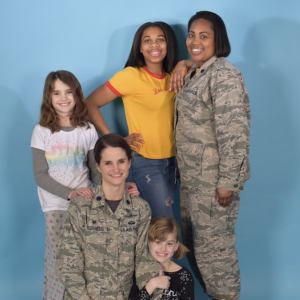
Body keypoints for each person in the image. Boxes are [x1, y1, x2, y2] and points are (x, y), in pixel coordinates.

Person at [31, 71, 138, 300]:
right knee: (60, 258)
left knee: (84, 259)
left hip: (86, 204)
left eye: (69, 92)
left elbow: (94, 170)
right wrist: (69, 193)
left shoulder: (87, 129)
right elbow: (40, 175)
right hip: (56, 206)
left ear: (77, 95)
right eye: (57, 92)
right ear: (48, 97)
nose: (63, 97)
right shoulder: (41, 131)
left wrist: (119, 184)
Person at [173, 11, 251, 300]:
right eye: (192, 34)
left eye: (204, 36)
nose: (195, 40)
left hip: (215, 184)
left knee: (216, 255)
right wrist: (185, 62)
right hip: (193, 181)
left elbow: (235, 133)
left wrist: (228, 181)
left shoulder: (224, 75)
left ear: (218, 40)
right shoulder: (197, 71)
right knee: (196, 249)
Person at [86, 21, 179, 217]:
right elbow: (89, 104)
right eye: (147, 40)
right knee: (164, 224)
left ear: (168, 44)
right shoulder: (131, 76)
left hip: (173, 162)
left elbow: (200, 64)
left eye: (160, 40)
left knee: (158, 228)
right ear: (140, 47)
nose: (154, 45)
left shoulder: (174, 76)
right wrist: (114, 140)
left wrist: (185, 63)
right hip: (144, 162)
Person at [56, 133, 162, 300]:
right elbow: (68, 262)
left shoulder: (140, 209)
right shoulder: (81, 206)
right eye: (108, 163)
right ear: (98, 166)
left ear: (129, 162)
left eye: (121, 161)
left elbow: (145, 262)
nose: (116, 169)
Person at [129, 216, 194, 300]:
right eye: (158, 242)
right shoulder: (138, 271)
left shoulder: (184, 276)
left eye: (169, 243)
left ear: (176, 246)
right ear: (148, 242)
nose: (163, 248)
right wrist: (152, 285)